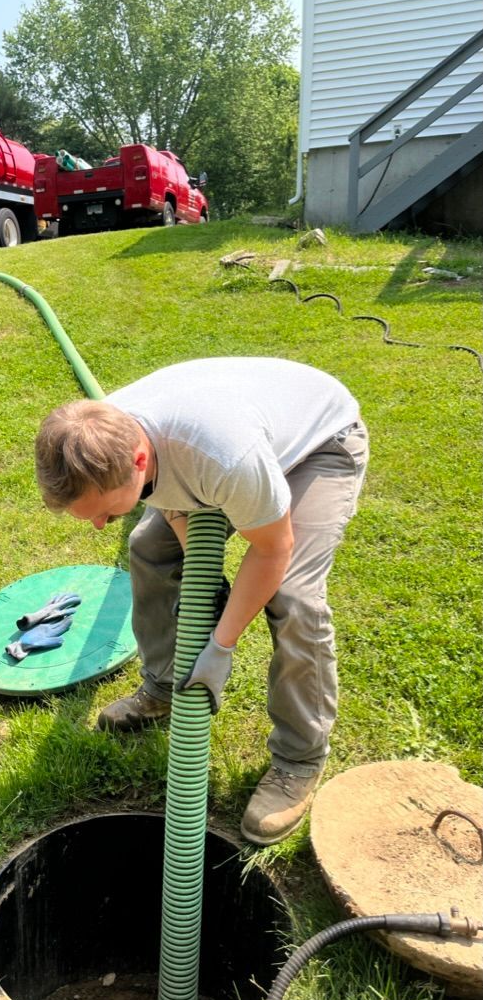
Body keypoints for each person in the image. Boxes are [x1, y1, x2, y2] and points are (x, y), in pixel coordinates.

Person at [35, 357, 369, 846]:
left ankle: (300, 758)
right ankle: (164, 687)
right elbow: (171, 499)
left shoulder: (221, 456)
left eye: (106, 512)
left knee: (292, 595)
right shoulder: (109, 432)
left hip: (319, 444)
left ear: (139, 463)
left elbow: (273, 548)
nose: (100, 526)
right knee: (147, 549)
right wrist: (204, 574)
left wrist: (221, 645)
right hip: (235, 438)